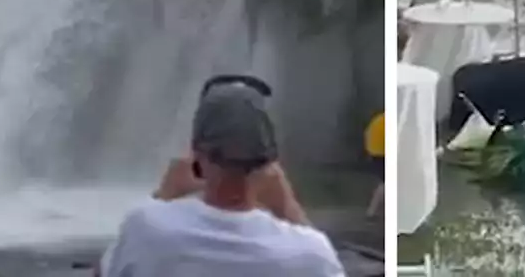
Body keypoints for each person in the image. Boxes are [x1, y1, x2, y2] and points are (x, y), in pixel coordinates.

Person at [96, 80, 346, 276]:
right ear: (269, 162)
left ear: (196, 155)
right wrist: (286, 205)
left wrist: (164, 194)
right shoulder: (309, 252)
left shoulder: (145, 229)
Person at [363, 111, 385, 218]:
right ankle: (371, 211)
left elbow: (367, 133)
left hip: (374, 153)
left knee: (384, 183)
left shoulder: (378, 119)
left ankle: (372, 211)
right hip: (382, 154)